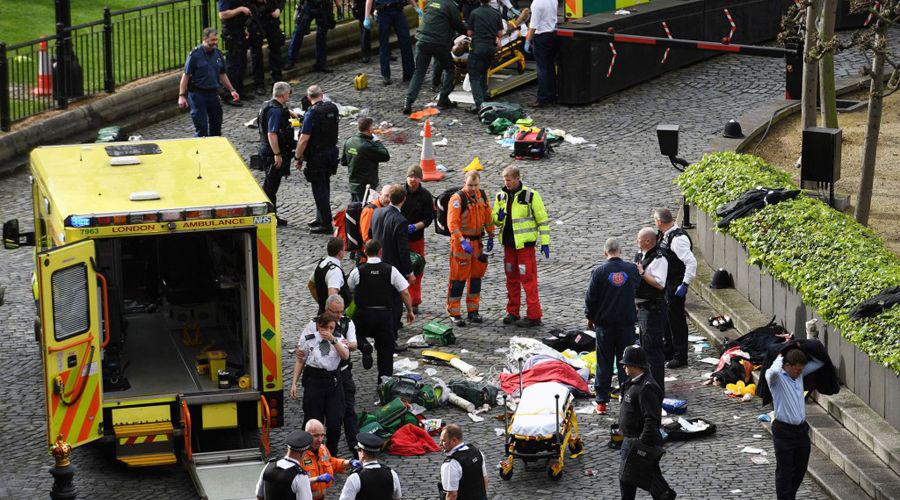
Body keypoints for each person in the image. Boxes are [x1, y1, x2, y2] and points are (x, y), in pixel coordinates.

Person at [584, 237, 639, 415]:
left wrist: (589, 318)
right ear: (620, 251)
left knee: (604, 361)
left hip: (605, 325)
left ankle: (601, 401)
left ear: (604, 252)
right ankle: (626, 396)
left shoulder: (599, 272)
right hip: (626, 323)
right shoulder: (631, 269)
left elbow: (591, 298)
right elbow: (638, 288)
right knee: (627, 361)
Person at [348, 239, 415, 380]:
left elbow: (350, 289)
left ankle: (364, 345)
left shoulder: (357, 271)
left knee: (354, 333)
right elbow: (405, 292)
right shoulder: (391, 270)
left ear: (365, 252)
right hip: (384, 316)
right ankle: (384, 383)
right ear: (380, 252)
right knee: (385, 352)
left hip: (364, 314)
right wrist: (410, 311)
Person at [491, 165, 549, 328]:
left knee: (528, 280)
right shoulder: (501, 196)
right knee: (511, 279)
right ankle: (513, 312)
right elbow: (494, 219)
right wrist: (498, 217)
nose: (506, 183)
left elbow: (542, 220)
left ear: (517, 178)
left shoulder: (531, 196)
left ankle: (534, 315)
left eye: (509, 180)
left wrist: (545, 242)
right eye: (505, 180)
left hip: (524, 248)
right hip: (509, 247)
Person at [617, 345, 676, 500]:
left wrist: (641, 444)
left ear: (635, 365)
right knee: (631, 479)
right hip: (631, 440)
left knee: (640, 479)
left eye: (626, 364)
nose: (623, 367)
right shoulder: (634, 382)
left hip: (638, 442)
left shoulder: (646, 388)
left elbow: (652, 419)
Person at [765, 348, 824, 500]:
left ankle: (789, 497)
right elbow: (771, 372)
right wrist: (780, 355)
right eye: (797, 370)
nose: (800, 373)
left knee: (800, 468)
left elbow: (819, 361)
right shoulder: (777, 380)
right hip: (783, 431)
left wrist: (801, 345)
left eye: (801, 370)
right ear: (788, 366)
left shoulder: (798, 376)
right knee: (785, 471)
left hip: (801, 430)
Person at [290, 313, 351, 457]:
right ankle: (312, 455)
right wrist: (294, 383)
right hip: (314, 381)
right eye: (325, 327)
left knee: (335, 422)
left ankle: (331, 455)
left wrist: (334, 341)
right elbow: (300, 360)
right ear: (319, 326)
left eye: (331, 328)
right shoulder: (309, 340)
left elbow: (345, 356)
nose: (328, 331)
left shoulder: (339, 339)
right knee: (313, 421)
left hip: (332, 381)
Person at [401, 0, 467, 114]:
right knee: (450, 69)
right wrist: (470, 31)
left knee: (419, 72)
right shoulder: (450, 5)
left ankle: (408, 102)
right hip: (438, 43)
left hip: (422, 41)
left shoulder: (430, 2)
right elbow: (459, 26)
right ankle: (443, 98)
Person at [446, 171, 494, 326]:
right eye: (470, 185)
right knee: (458, 280)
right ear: (464, 183)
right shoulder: (457, 199)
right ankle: (454, 312)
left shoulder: (482, 196)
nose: (473, 188)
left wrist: (491, 235)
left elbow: (487, 217)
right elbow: (452, 224)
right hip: (462, 244)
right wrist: (462, 240)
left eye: (475, 185)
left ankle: (473, 311)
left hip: (477, 243)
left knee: (475, 279)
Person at [653, 208, 696, 369]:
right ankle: (669, 350)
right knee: (667, 319)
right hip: (666, 283)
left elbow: (691, 262)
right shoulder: (665, 235)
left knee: (676, 321)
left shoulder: (678, 239)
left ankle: (680, 355)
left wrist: (685, 284)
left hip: (675, 283)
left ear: (659, 221)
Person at [293, 85, 340, 234]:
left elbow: (303, 139)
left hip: (317, 156)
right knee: (324, 185)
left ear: (308, 98)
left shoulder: (311, 113)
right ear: (322, 94)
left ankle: (326, 224)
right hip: (331, 153)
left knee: (319, 190)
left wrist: (297, 157)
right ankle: (320, 217)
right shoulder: (332, 108)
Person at [178, 28, 239, 137]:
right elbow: (186, 75)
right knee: (201, 127)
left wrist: (232, 90)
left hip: (213, 94)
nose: (215, 43)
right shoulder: (195, 55)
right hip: (198, 94)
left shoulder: (218, 54)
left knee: (216, 124)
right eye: (212, 40)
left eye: (216, 40)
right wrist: (182, 95)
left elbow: (222, 74)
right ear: (204, 39)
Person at [323, 295, 362, 454]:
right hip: (324, 377)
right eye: (335, 312)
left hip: (343, 374)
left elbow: (353, 344)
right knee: (331, 417)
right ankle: (330, 451)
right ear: (327, 310)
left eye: (341, 311)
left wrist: (348, 344)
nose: (339, 315)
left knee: (349, 411)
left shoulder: (347, 323)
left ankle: (355, 447)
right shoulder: (318, 324)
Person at [634, 227, 668, 396]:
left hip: (653, 310)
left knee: (653, 351)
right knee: (645, 348)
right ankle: (648, 384)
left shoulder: (659, 259)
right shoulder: (642, 255)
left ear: (648, 241)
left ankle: (656, 389)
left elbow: (660, 283)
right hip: (642, 308)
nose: (636, 241)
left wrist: (642, 273)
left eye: (639, 238)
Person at [258, 81, 296, 226]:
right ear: (283, 94)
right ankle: (270, 216)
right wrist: (277, 154)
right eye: (288, 93)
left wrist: (289, 112)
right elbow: (272, 133)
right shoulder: (275, 111)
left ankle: (271, 214)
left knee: (270, 184)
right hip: (271, 152)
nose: (289, 95)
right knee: (270, 186)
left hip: (265, 149)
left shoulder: (267, 105)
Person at [400, 166, 434, 314]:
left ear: (420, 178)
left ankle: (414, 301)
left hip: (416, 238)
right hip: (400, 238)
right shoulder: (400, 192)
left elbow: (428, 219)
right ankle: (400, 298)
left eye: (416, 177)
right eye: (410, 177)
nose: (413, 180)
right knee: (400, 269)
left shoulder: (426, 196)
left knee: (417, 270)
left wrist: (416, 226)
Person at [299, 419, 359, 499]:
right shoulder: (299, 454)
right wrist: (317, 479)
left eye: (322, 435)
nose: (320, 440)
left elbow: (331, 463)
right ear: (306, 435)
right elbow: (296, 482)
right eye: (316, 435)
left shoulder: (322, 449)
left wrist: (349, 462)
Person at [363, 0, 418, 85]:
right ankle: (386, 75)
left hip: (397, 10)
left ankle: (409, 73)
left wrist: (415, 7)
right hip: (383, 12)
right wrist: (366, 17)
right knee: (384, 44)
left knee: (406, 41)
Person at [465, 0, 505, 113]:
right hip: (490, 49)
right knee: (484, 74)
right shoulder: (496, 13)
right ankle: (484, 101)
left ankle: (479, 105)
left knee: (474, 76)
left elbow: (469, 33)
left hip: (478, 47)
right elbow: (500, 34)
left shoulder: (474, 13)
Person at [339, 433, 402, 499]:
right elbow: (397, 496)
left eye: (358, 450)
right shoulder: (392, 473)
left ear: (362, 453)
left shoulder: (355, 478)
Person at [341, 117, 390, 202]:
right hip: (366, 186)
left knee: (355, 209)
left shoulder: (349, 141)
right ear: (369, 129)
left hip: (353, 184)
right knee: (365, 211)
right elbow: (386, 156)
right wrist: (377, 141)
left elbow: (344, 162)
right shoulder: (367, 146)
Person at [256, 430, 315, 500]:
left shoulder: (269, 466)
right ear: (303, 453)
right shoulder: (300, 477)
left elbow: (259, 496)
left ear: (288, 448)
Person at [439, 424, 488, 500]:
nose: (440, 444)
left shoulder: (451, 464)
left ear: (454, 440)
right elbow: (485, 479)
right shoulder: (477, 452)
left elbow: (452, 495)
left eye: (443, 441)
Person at [524, 0, 557, 108]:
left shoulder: (537, 3)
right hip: (551, 34)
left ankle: (542, 98)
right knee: (550, 67)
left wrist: (527, 41)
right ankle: (552, 95)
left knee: (542, 69)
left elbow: (533, 26)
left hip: (541, 37)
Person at [217, 1, 251, 106]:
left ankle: (239, 90)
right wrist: (241, 9)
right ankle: (229, 95)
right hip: (231, 32)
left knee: (241, 62)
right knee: (233, 64)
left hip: (239, 30)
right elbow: (222, 14)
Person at [286, 0, 336, 72]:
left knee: (322, 35)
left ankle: (321, 63)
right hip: (309, 4)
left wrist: (337, 6)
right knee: (299, 32)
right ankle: (290, 60)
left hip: (324, 5)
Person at [248, 0, 285, 95]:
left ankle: (277, 80)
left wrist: (279, 9)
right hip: (256, 17)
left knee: (276, 47)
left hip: (271, 16)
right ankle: (259, 84)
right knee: (256, 52)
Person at [310, 237, 351, 315]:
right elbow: (332, 296)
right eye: (343, 250)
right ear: (340, 253)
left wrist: (322, 305)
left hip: (323, 314)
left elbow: (311, 285)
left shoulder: (322, 264)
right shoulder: (335, 271)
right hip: (333, 318)